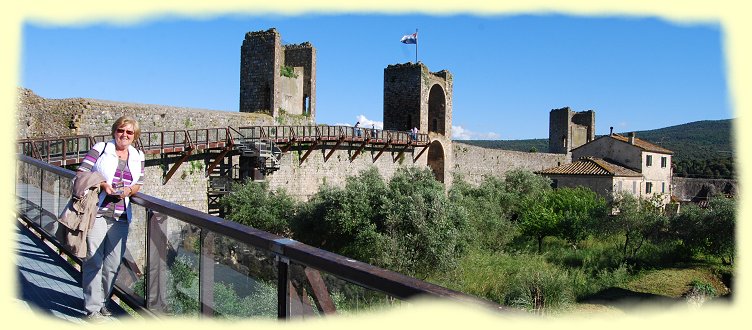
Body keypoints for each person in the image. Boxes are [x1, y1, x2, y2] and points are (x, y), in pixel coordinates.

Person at [78, 116, 145, 320]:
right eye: (120, 130)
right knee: (93, 260)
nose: (124, 135)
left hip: (121, 215)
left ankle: (104, 302)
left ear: (134, 136)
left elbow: (139, 182)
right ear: (114, 131)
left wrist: (128, 191)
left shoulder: (137, 155)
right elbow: (81, 172)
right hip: (97, 212)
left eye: (129, 132)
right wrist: (103, 185)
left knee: (113, 263)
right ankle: (92, 309)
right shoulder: (101, 149)